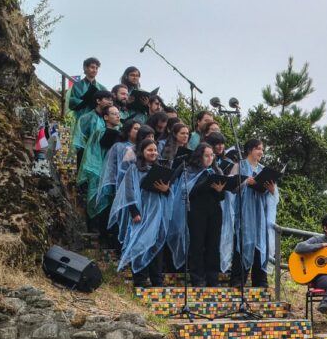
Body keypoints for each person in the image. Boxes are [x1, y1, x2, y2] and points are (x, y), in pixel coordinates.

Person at [167, 143, 233, 287]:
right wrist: (206, 183)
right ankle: (197, 278)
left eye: (212, 155)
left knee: (213, 245)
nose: (210, 158)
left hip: (214, 211)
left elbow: (221, 198)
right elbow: (186, 192)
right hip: (196, 211)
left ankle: (212, 278)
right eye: (207, 155)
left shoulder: (216, 170)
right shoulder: (189, 170)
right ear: (200, 156)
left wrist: (220, 190)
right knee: (197, 244)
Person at [116, 139, 173, 287]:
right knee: (140, 243)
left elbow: (168, 192)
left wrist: (166, 190)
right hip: (141, 213)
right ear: (142, 152)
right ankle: (140, 278)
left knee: (157, 244)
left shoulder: (161, 169)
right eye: (150, 150)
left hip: (158, 213)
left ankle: (157, 279)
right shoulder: (134, 169)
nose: (153, 153)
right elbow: (128, 192)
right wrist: (134, 212)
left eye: (155, 150)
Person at [228, 139, 279, 288]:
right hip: (244, 212)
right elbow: (231, 187)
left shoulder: (264, 169)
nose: (261, 152)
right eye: (258, 149)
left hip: (260, 214)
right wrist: (245, 183)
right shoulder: (239, 166)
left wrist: (271, 190)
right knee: (243, 242)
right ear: (250, 150)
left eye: (262, 149)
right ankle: (238, 279)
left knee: (260, 244)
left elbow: (274, 196)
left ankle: (260, 280)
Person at [97, 118, 140, 247]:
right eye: (135, 129)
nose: (138, 131)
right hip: (120, 186)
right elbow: (111, 166)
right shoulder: (118, 146)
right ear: (128, 131)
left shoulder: (142, 148)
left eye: (139, 129)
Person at [67, 57, 106, 152]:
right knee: (81, 147)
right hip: (82, 118)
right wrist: (86, 100)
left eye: (96, 68)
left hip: (97, 121)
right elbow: (72, 102)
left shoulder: (102, 87)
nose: (95, 70)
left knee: (95, 146)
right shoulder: (78, 85)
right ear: (85, 68)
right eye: (92, 67)